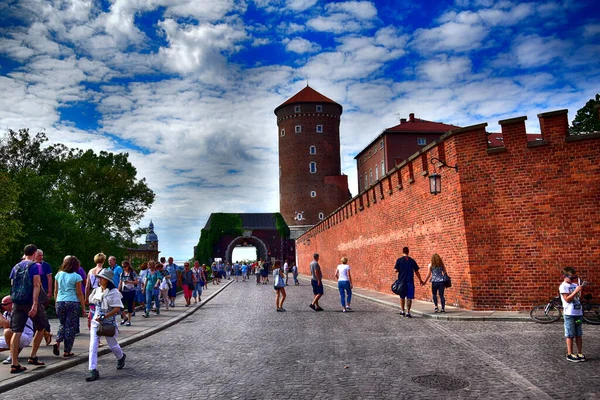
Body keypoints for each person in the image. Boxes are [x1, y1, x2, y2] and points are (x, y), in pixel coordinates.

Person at [8, 244, 47, 373]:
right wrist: (35, 304)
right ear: (35, 253)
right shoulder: (35, 266)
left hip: (17, 303)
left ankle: (14, 363)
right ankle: (33, 356)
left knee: (16, 331)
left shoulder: (16, 266)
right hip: (30, 302)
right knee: (41, 327)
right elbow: (36, 285)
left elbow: (12, 285)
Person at [86, 268, 126, 381]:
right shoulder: (97, 290)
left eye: (102, 278)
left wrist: (105, 316)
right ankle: (92, 370)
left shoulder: (114, 293)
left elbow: (117, 308)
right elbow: (92, 303)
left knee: (112, 345)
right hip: (96, 321)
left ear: (107, 280)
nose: (99, 280)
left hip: (108, 323)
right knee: (93, 346)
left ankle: (121, 356)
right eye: (99, 278)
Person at [52, 256, 86, 357]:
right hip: (72, 302)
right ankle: (67, 350)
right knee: (70, 327)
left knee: (62, 324)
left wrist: (56, 302)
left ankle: (57, 341)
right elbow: (79, 293)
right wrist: (83, 307)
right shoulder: (76, 277)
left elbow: (55, 291)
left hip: (60, 301)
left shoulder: (59, 274)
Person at [560, 267, 586, 362]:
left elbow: (579, 298)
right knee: (570, 334)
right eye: (571, 278)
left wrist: (581, 290)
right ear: (564, 276)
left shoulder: (575, 284)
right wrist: (575, 291)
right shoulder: (563, 286)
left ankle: (579, 352)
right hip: (569, 314)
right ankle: (570, 353)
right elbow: (567, 299)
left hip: (578, 313)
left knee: (578, 333)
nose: (573, 280)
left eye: (574, 278)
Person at [0, 296, 34, 366]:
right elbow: (3, 324)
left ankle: (12, 356)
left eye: (4, 304)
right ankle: (14, 351)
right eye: (2, 305)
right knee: (7, 332)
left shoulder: (18, 312)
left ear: (12, 303)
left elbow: (7, 326)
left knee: (7, 331)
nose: (2, 306)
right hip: (13, 336)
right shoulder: (6, 313)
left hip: (25, 336)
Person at [393, 247, 424, 318]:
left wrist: (400, 270)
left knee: (402, 296)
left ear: (402, 252)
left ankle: (402, 311)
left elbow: (395, 270)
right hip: (410, 281)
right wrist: (420, 280)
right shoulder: (412, 261)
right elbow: (417, 272)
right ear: (408, 252)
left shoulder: (399, 260)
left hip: (401, 281)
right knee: (409, 297)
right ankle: (408, 312)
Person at [35, 250, 53, 346]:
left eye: (42, 255)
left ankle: (46, 331)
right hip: (32, 292)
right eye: (39, 255)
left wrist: (49, 292)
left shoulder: (45, 265)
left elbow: (49, 278)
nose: (41, 257)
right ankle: (43, 332)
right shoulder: (31, 265)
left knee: (41, 313)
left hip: (42, 291)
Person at [85, 253, 105, 330]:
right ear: (103, 260)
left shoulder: (91, 271)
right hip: (101, 292)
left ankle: (91, 328)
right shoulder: (104, 271)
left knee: (92, 310)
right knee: (100, 312)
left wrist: (86, 297)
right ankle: (97, 332)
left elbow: (87, 286)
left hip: (93, 292)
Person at [119, 261, 138, 326]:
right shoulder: (122, 273)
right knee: (120, 305)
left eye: (124, 267)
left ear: (128, 266)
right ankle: (124, 317)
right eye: (122, 267)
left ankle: (129, 320)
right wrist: (118, 290)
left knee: (130, 305)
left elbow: (136, 282)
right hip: (124, 291)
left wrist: (129, 282)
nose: (124, 268)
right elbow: (120, 282)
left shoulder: (132, 273)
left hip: (131, 291)